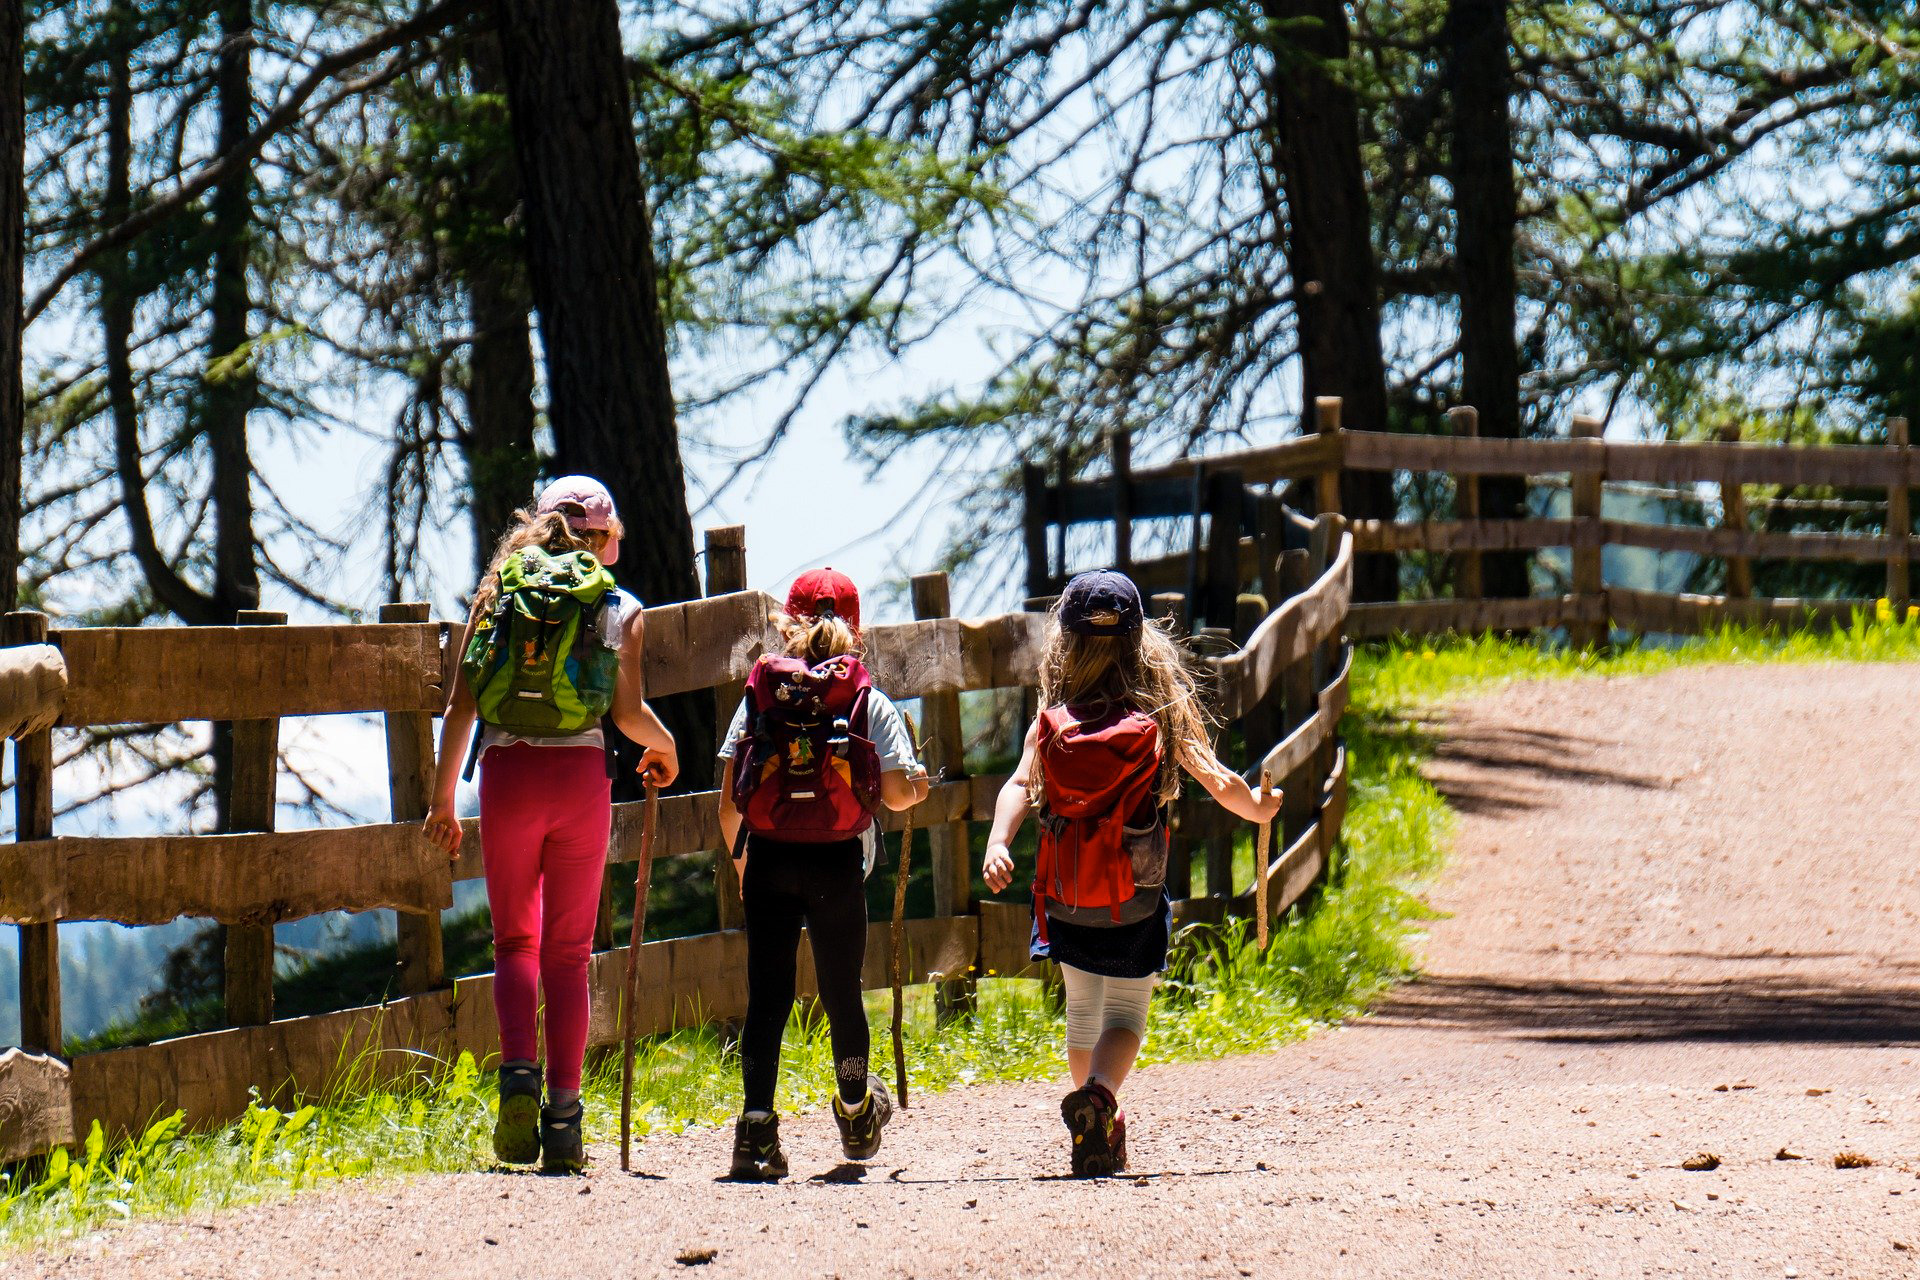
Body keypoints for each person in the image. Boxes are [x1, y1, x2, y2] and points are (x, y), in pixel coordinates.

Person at [981, 569, 1280, 1177]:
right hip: (1135, 897)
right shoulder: (1157, 711)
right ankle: (1099, 1099)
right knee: (1125, 1019)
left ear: (1063, 643)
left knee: (1083, 1013)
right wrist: (1255, 806)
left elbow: (1018, 784)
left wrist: (998, 840)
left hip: (1065, 897)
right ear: (1140, 641)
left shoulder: (1054, 717)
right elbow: (1214, 776)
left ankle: (1099, 1119)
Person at [423, 476, 679, 1175]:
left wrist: (443, 801)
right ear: (604, 538)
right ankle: (564, 1120)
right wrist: (667, 746)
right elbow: (626, 714)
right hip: (578, 782)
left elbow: (460, 707)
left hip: (507, 777)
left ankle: (516, 1082)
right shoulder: (620, 607)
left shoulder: (498, 594)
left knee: (515, 943)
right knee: (568, 955)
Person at [716, 568, 929, 1180]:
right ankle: (857, 1113)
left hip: (770, 858)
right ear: (856, 628)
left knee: (768, 998)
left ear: (787, 623)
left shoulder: (761, 697)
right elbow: (892, 792)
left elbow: (731, 795)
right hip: (837, 860)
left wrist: (740, 862)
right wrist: (916, 785)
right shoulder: (866, 699)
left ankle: (755, 1133)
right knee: (841, 993)